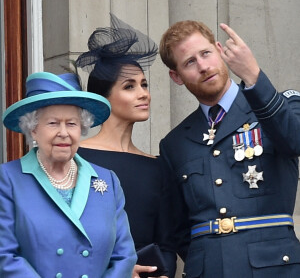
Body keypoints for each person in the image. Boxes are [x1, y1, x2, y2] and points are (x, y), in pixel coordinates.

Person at [158, 20, 300, 277]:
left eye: (206, 53)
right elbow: (176, 228)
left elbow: (295, 140)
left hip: (275, 268)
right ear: (176, 77)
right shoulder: (174, 143)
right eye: (190, 62)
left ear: (219, 50)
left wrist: (253, 76)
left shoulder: (278, 105)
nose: (203, 66)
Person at [0, 71, 137, 277]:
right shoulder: (8, 179)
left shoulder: (107, 180)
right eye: (53, 123)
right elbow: (5, 255)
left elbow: (124, 256)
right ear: (33, 129)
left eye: (71, 123)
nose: (63, 132)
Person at [75, 14, 177, 278]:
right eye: (129, 86)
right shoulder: (75, 157)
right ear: (103, 98)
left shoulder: (158, 165)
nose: (143, 93)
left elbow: (166, 241)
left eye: (144, 84)